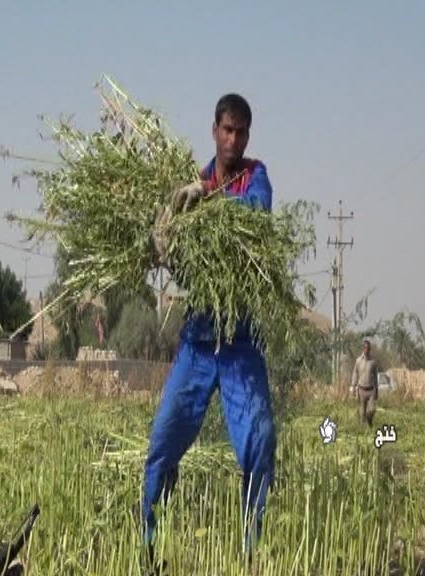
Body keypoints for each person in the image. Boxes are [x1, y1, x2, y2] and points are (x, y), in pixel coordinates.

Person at [143, 93, 276, 567]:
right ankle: (150, 544)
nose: (233, 139)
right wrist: (165, 232)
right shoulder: (190, 184)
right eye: (227, 129)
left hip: (240, 343)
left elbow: (256, 214)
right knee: (163, 444)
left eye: (241, 131)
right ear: (214, 130)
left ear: (248, 135)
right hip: (199, 341)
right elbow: (171, 256)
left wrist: (208, 204)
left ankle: (250, 550)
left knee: (259, 443)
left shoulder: (253, 178)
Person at [351, 339, 379, 427]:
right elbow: (355, 373)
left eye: (368, 348)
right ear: (363, 349)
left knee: (372, 410)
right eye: (365, 348)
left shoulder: (373, 362)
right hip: (361, 390)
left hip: (370, 390)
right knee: (362, 413)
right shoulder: (358, 360)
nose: (367, 350)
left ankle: (369, 420)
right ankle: (363, 431)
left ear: (370, 349)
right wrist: (353, 386)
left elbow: (375, 375)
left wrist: (376, 389)